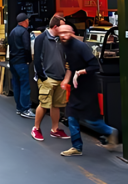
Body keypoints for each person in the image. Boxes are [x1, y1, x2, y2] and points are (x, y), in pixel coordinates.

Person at [57, 25, 118, 156]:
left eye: (66, 32)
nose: (63, 35)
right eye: (61, 33)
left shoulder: (80, 46)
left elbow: (94, 66)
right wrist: (65, 81)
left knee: (91, 120)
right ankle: (76, 147)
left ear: (72, 33)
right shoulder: (64, 46)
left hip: (88, 88)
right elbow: (69, 67)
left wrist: (79, 72)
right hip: (76, 87)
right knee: (71, 115)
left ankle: (110, 131)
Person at [31, 15, 69, 141]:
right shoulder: (41, 38)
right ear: (55, 26)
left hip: (60, 77)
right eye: (62, 26)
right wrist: (43, 76)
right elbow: (37, 59)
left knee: (56, 105)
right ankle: (36, 128)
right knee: (44, 104)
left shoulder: (61, 39)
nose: (64, 29)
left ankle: (55, 129)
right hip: (47, 77)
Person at [8, 13, 36, 119]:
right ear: (25, 21)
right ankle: (25, 109)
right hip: (21, 62)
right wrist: (28, 60)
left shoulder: (13, 31)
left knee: (17, 85)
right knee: (25, 86)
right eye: (27, 20)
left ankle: (19, 108)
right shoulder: (24, 32)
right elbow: (27, 48)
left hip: (13, 61)